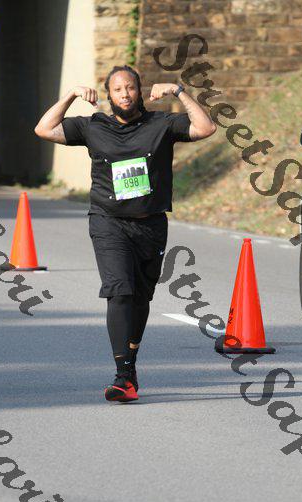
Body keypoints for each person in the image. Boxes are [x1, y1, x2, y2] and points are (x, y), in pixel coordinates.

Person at [34, 65, 217, 403]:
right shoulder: (93, 126)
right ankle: (122, 375)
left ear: (139, 91)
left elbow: (206, 127)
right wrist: (71, 94)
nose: (125, 94)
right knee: (119, 291)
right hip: (108, 222)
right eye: (117, 89)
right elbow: (44, 129)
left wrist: (179, 91)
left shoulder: (161, 124)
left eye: (130, 87)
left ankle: (130, 365)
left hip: (150, 224)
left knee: (140, 298)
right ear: (108, 95)